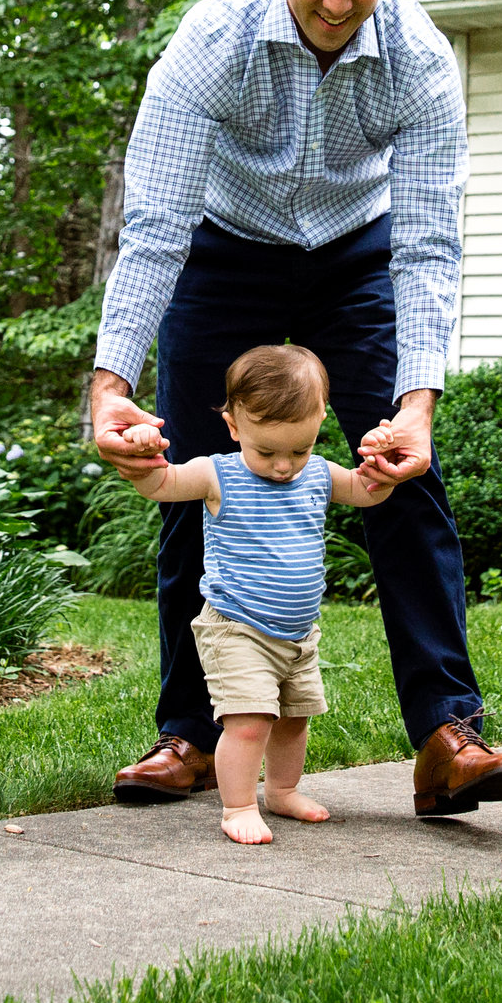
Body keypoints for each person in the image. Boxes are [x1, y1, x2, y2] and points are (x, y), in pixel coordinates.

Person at [89, 0, 502, 820]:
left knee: (405, 480)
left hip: (356, 252)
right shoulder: (211, 41)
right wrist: (110, 384)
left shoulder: (418, 59)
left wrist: (417, 405)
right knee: (194, 477)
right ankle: (192, 737)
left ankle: (448, 736)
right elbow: (156, 226)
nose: (339, 1)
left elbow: (427, 244)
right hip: (225, 246)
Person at [114, 345, 392, 843]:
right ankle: (237, 805)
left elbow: (369, 491)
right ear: (234, 425)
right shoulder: (216, 473)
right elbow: (159, 483)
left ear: (319, 421)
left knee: (292, 721)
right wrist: (141, 449)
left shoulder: (320, 473)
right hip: (237, 627)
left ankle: (282, 792)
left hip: (298, 635)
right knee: (248, 723)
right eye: (267, 451)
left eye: (299, 449)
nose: (284, 466)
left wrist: (382, 459)